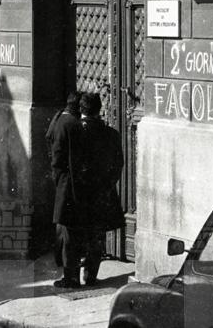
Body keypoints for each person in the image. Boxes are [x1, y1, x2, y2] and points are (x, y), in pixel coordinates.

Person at [51, 92, 124, 288]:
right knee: (95, 237)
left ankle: (71, 278)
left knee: (72, 237)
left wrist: (63, 186)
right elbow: (118, 165)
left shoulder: (71, 130)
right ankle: (91, 276)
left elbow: (59, 162)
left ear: (80, 109)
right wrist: (106, 186)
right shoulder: (111, 134)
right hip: (99, 195)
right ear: (100, 110)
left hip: (74, 193)